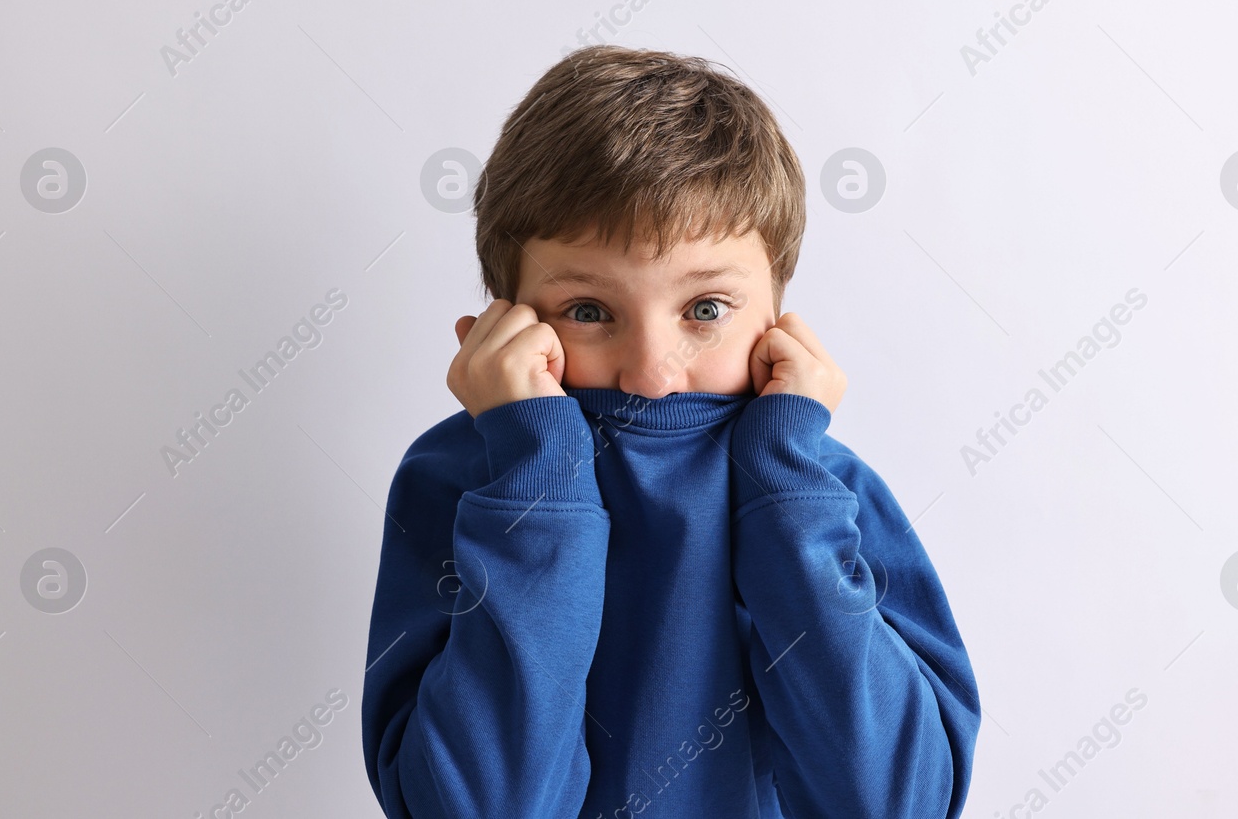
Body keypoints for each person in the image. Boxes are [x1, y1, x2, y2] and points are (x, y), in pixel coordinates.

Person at [361, 45, 979, 818]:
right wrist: (535, 481)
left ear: (777, 319)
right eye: (589, 311)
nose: (651, 374)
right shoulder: (460, 478)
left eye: (706, 310)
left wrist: (786, 495)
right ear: (504, 324)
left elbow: (894, 803)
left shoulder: (824, 490)